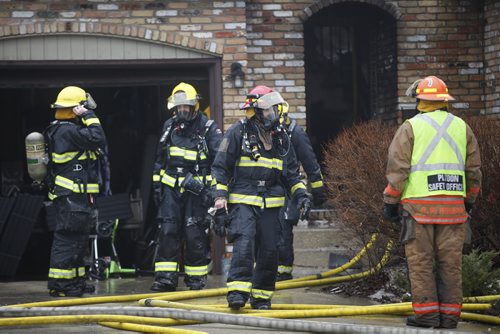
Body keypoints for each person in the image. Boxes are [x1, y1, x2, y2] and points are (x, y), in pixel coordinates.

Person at [383, 76, 481, 329]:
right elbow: (474, 171)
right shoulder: (462, 127)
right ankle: (449, 317)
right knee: (451, 264)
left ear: (420, 100)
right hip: (454, 212)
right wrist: (469, 200)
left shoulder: (410, 127)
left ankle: (426, 315)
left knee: (421, 263)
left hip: (419, 211)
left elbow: (398, 169)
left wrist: (390, 202)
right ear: (444, 100)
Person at [211, 85, 311, 310]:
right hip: (244, 201)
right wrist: (219, 198)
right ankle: (237, 292)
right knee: (244, 245)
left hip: (273, 203)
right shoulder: (238, 132)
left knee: (270, 250)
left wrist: (302, 195)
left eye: (275, 110)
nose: (273, 115)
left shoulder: (281, 138)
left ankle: (262, 296)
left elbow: (291, 174)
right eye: (269, 110)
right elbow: (220, 168)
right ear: (256, 111)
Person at [151, 82, 222, 292]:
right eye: (178, 108)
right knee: (168, 232)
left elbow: (219, 161)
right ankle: (165, 279)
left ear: (194, 107)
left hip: (196, 192)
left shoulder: (209, 128)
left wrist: (214, 192)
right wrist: (157, 187)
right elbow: (159, 158)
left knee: (194, 234)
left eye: (185, 108)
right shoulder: (169, 126)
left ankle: (196, 280)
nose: (181, 111)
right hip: (171, 191)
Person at [46, 86, 107, 297]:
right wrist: (89, 115)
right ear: (76, 109)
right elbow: (98, 137)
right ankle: (61, 284)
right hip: (71, 196)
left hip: (77, 196)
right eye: (83, 107)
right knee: (67, 239)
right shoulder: (67, 131)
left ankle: (76, 281)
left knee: (79, 238)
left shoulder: (65, 130)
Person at [277, 103, 326, 281]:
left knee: (283, 230)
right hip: (267, 188)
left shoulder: (294, 132)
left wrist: (318, 191)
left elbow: (309, 161)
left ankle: (283, 272)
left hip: (288, 187)